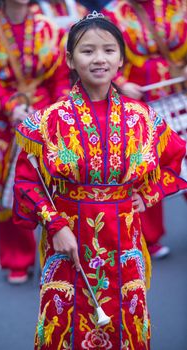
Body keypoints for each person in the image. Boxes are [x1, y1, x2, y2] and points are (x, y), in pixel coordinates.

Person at [13, 12, 187, 349]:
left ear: (121, 58)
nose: (99, 59)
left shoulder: (143, 118)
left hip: (124, 237)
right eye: (87, 51)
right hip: (67, 240)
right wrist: (55, 225)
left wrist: (147, 195)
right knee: (66, 326)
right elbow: (26, 182)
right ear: (70, 60)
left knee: (126, 321)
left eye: (108, 50)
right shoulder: (47, 121)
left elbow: (175, 162)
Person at [0, 0, 70, 283]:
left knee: (58, 183)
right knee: (12, 187)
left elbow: (61, 77)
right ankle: (18, 258)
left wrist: (56, 110)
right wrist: (12, 108)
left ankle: (60, 253)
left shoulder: (50, 29)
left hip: (49, 116)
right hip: (7, 123)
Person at [103, 0, 187, 258]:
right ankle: (148, 238)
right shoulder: (112, 14)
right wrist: (120, 82)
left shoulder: (179, 5)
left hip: (179, 94)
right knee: (144, 166)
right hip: (140, 103)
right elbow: (102, 55)